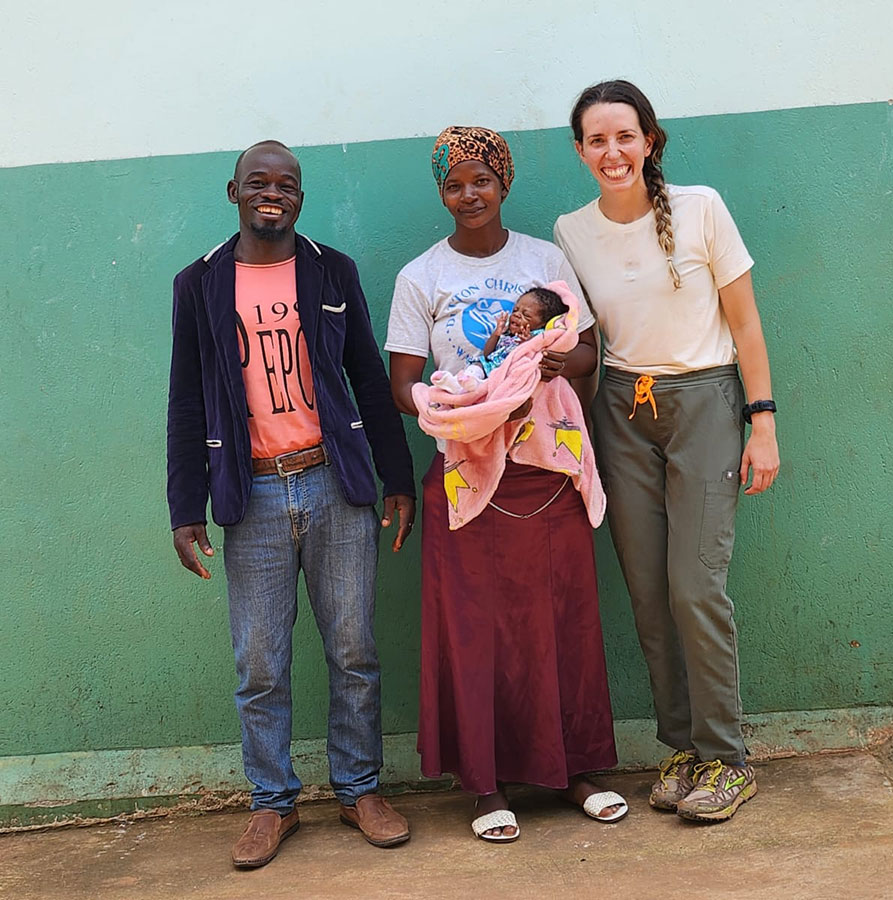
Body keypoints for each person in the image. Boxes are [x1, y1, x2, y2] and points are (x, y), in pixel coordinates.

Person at [166, 140, 416, 867]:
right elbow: (186, 399)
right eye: (258, 182)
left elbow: (369, 375)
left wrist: (394, 478)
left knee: (354, 648)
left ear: (300, 197)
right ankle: (273, 803)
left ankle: (359, 789)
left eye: (287, 184)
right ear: (233, 192)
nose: (273, 193)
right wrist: (186, 508)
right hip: (254, 494)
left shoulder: (331, 270)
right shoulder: (200, 283)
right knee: (261, 661)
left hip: (336, 485)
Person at [386, 125, 625, 842]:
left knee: (565, 621)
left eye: (481, 180)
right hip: (466, 475)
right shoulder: (419, 277)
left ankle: (577, 770)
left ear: (504, 183)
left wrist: (551, 365)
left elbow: (586, 352)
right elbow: (402, 381)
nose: (469, 195)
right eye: (454, 184)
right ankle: (487, 786)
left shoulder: (545, 260)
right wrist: (445, 402)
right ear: (442, 192)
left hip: (545, 471)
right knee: (474, 631)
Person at [554, 80, 780, 822]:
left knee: (694, 586)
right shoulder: (571, 231)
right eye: (596, 140)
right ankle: (681, 746)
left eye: (625, 135)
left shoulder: (702, 207)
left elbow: (744, 326)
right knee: (649, 595)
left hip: (706, 401)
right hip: (622, 409)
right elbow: (581, 339)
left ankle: (728, 758)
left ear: (650, 139)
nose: (612, 151)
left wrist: (764, 423)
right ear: (581, 151)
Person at [431, 286, 567, 393]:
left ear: (542, 324)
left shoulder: (539, 336)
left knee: (491, 381)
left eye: (526, 315)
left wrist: (528, 343)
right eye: (515, 310)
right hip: (490, 367)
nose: (517, 316)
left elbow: (533, 357)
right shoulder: (508, 334)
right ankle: (461, 383)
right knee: (477, 364)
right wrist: (496, 334)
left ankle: (475, 387)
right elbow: (487, 354)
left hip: (507, 376)